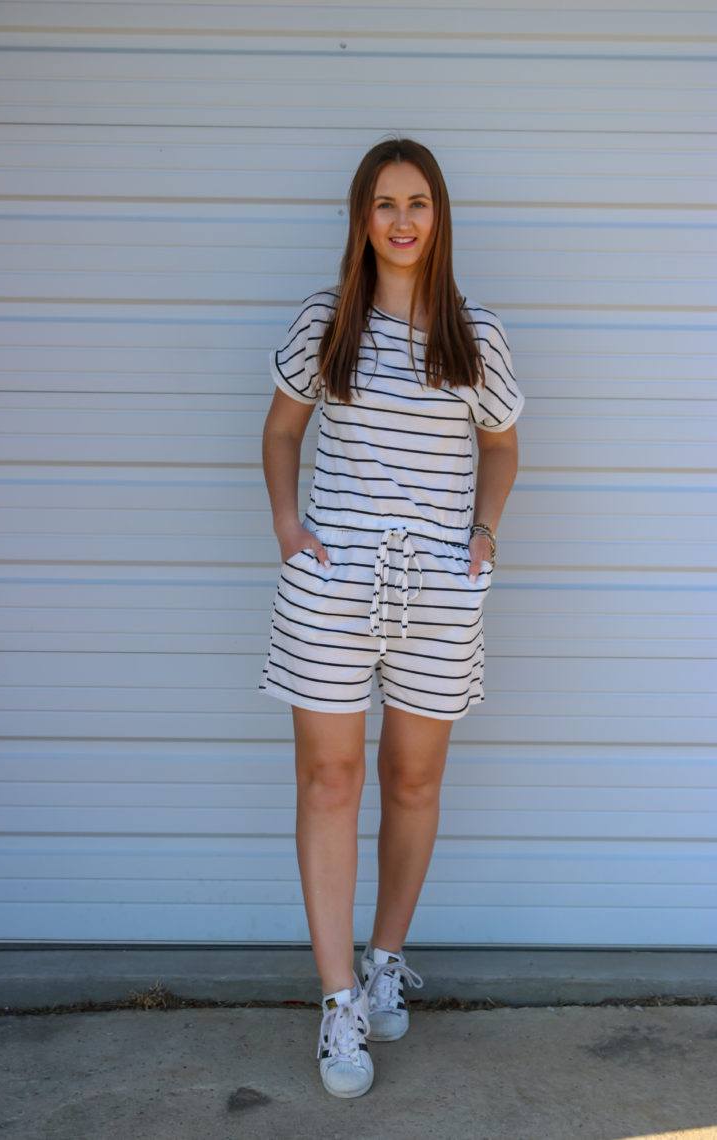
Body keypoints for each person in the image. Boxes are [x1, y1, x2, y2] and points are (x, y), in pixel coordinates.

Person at [259, 138, 524, 1098]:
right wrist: (291, 529)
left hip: (437, 594)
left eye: (418, 203)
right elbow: (283, 430)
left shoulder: (473, 332)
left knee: (411, 781)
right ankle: (337, 1002)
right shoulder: (325, 322)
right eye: (384, 204)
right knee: (329, 781)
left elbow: (502, 445)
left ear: (438, 215)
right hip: (332, 589)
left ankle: (383, 958)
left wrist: (483, 537)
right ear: (361, 218)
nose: (402, 221)